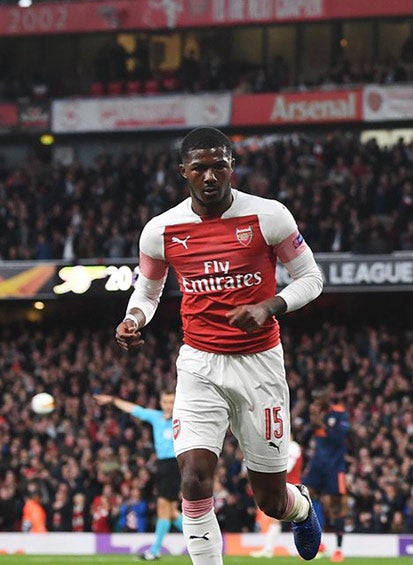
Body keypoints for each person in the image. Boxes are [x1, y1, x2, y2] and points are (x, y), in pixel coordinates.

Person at [114, 126, 325, 564]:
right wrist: (134, 318)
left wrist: (271, 305)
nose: (209, 176)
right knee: (191, 479)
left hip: (259, 365)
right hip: (199, 364)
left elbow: (312, 279)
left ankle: (300, 506)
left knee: (271, 500)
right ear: (183, 172)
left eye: (218, 166)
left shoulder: (269, 217)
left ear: (232, 167)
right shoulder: (162, 230)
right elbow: (148, 292)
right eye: (199, 168)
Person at [94, 391, 185, 560]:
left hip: (175, 464)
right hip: (162, 465)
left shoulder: (183, 418)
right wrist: (113, 399)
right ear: (160, 402)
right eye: (165, 401)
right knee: (171, 511)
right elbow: (134, 409)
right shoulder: (156, 417)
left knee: (163, 507)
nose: (168, 405)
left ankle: (156, 550)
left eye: (171, 401)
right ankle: (199, 540)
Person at [302, 388, 351, 562]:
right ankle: (317, 541)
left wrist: (321, 424)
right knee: (305, 497)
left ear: (326, 398)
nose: (315, 402)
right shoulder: (316, 415)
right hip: (317, 466)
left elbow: (340, 437)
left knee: (337, 507)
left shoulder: (339, 413)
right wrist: (311, 423)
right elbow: (305, 437)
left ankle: (338, 549)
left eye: (318, 398)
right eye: (313, 399)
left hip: (335, 467)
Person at [251, 438, 303, 558]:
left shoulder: (293, 447)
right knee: (277, 518)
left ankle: (310, 548)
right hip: (283, 486)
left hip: (293, 487)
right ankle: (268, 549)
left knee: (298, 518)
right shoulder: (283, 446)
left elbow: (288, 467)